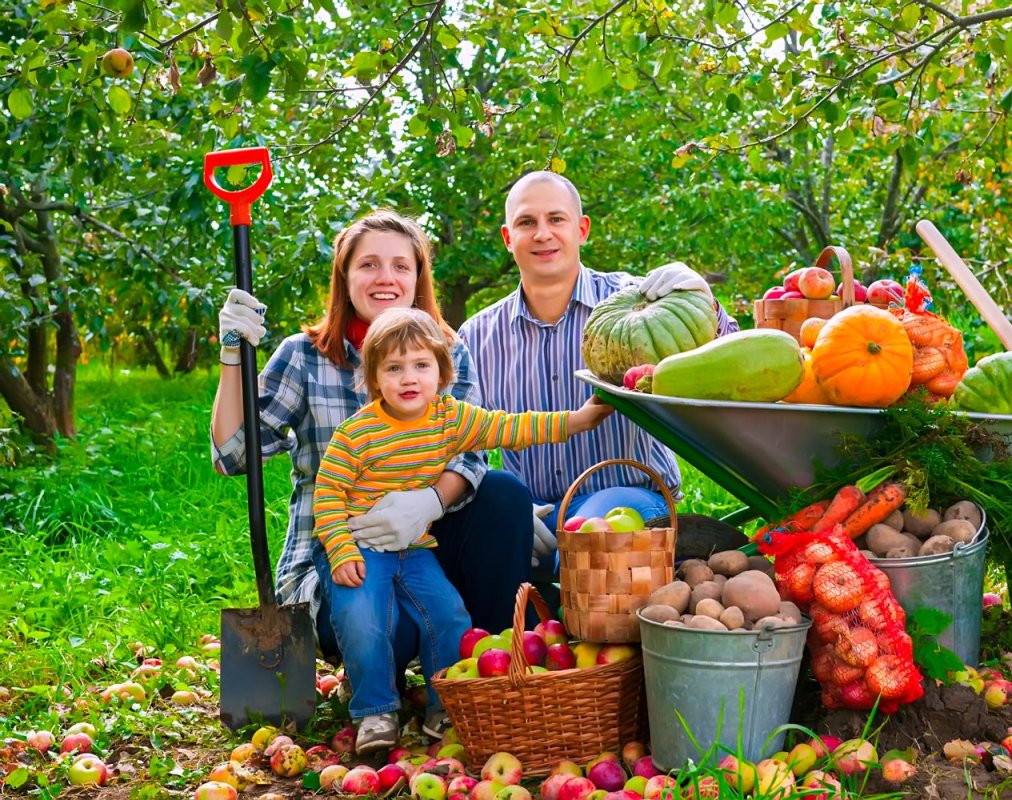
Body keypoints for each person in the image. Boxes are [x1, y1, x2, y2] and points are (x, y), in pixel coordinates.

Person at [210, 209, 534, 750]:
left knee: (505, 495)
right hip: (342, 557)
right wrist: (231, 355)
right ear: (344, 277)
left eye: (401, 265)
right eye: (369, 265)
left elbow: (472, 455)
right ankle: (378, 694)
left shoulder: (446, 352)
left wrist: (428, 502)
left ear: (417, 278)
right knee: (388, 623)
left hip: (425, 546)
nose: (386, 278)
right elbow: (232, 456)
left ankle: (489, 680)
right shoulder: (305, 357)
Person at [312, 307, 612, 750]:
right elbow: (327, 495)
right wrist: (340, 550)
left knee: (449, 615)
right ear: (374, 378)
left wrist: (578, 420)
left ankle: (447, 704)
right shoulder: (357, 434)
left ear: (442, 372)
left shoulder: (450, 419)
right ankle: (375, 710)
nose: (409, 378)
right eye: (393, 368)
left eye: (421, 365)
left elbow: (512, 427)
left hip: (414, 547)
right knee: (362, 617)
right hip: (360, 545)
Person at [457, 171, 739, 564]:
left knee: (587, 547)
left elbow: (729, 361)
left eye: (556, 219)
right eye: (527, 222)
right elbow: (460, 439)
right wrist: (506, 508)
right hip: (532, 512)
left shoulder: (639, 305)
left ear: (582, 229)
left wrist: (704, 300)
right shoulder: (477, 336)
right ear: (508, 237)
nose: (542, 234)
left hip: (627, 498)